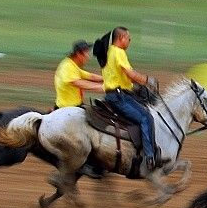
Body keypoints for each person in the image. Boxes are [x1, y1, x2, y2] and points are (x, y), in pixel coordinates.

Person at [93, 26, 160, 170]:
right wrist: (148, 80)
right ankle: (149, 157)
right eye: (129, 38)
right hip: (119, 97)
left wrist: (137, 84)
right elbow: (130, 73)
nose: (130, 41)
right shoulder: (119, 52)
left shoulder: (109, 51)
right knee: (146, 118)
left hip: (114, 94)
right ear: (121, 38)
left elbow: (124, 76)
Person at [53, 40, 104, 111]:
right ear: (78, 54)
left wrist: (108, 79)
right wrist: (103, 87)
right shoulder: (67, 66)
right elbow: (78, 83)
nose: (88, 57)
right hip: (67, 109)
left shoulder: (72, 64)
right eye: (86, 53)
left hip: (75, 106)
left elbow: (90, 76)